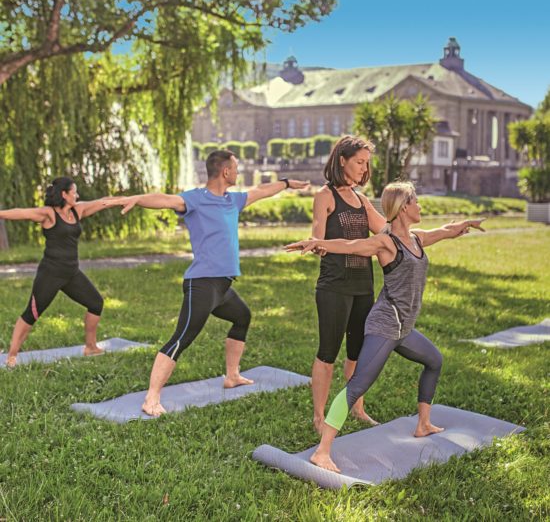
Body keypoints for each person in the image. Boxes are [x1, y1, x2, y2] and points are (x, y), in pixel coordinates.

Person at [285, 181, 485, 472]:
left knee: (434, 360)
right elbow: (351, 245)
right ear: (404, 207)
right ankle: (322, 451)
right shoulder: (387, 242)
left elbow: (443, 232)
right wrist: (318, 243)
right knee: (356, 387)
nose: (420, 206)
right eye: (415, 201)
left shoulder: (415, 239)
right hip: (385, 325)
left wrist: (464, 224)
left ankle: (424, 424)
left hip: (403, 327)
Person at [112, 149, 308, 417]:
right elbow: (166, 200)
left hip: (222, 287)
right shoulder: (195, 199)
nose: (238, 173)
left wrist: (286, 184)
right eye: (236, 168)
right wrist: (137, 199)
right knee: (181, 338)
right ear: (225, 172)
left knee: (242, 317)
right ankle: (151, 398)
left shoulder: (233, 200)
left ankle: (232, 375)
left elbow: (262, 190)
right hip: (202, 284)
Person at [0, 177, 120, 367]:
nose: (77, 195)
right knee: (31, 314)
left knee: (96, 303)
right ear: (64, 194)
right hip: (50, 274)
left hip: (72, 273)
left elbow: (101, 202)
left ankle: (90, 347)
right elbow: (22, 212)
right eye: (74, 192)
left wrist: (125, 200)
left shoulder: (77, 210)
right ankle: (12, 356)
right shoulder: (49, 214)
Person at [311, 135, 386, 433]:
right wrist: (318, 244)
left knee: (357, 352)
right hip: (334, 286)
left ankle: (357, 407)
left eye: (366, 163)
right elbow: (318, 234)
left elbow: (387, 231)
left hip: (362, 287)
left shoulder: (361, 200)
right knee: (328, 352)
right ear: (342, 160)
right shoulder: (326, 195)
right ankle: (319, 417)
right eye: (359, 162)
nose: (363, 168)